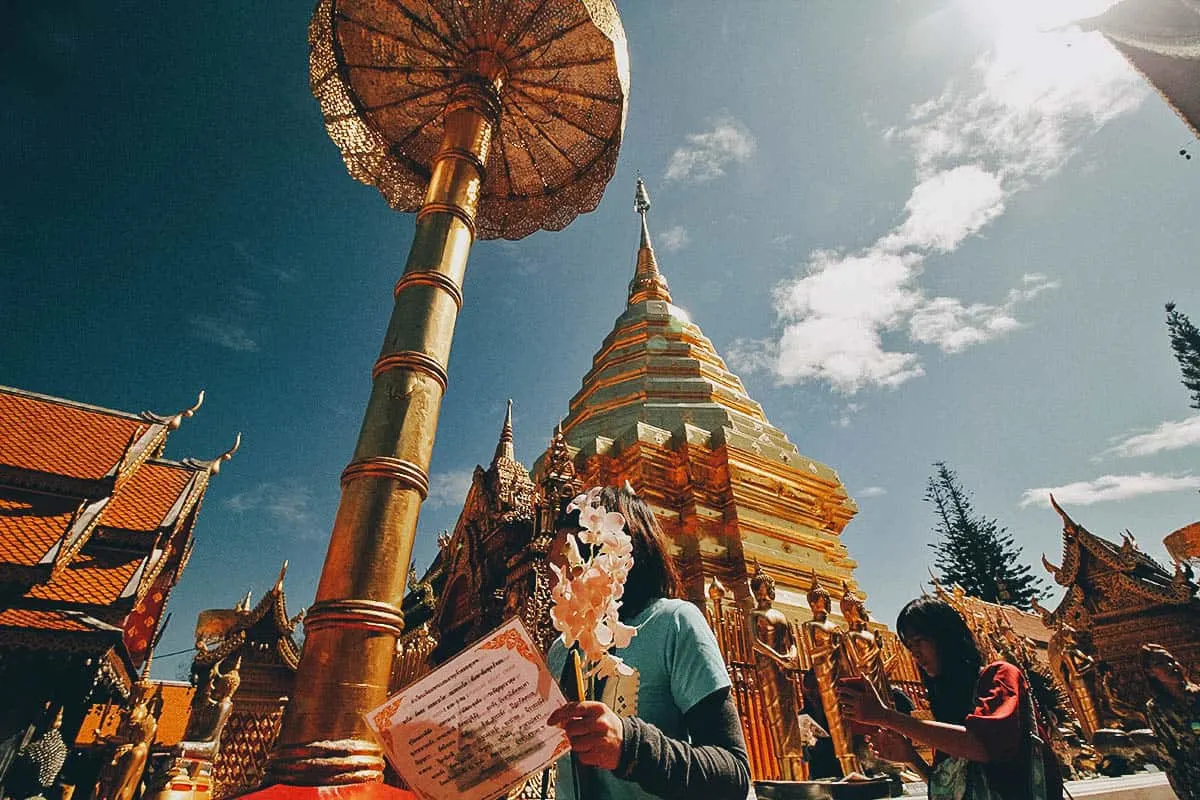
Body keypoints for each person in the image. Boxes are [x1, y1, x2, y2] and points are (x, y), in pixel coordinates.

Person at [546, 485, 751, 800]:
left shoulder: (673, 623)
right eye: (556, 558)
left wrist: (629, 747)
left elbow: (733, 774)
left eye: (569, 556)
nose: (558, 573)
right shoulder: (560, 651)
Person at [836, 595, 1063, 800]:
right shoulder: (950, 709)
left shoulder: (1000, 676)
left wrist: (886, 717)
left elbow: (983, 746)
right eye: (909, 646)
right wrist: (911, 758)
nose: (914, 653)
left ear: (945, 636)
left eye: (920, 641)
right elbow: (955, 787)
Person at [1141, 643, 1200, 799]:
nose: (1171, 666)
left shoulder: (1197, 695)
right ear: (1150, 672)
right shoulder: (1157, 709)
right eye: (1161, 663)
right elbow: (1169, 755)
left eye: (1171, 660)